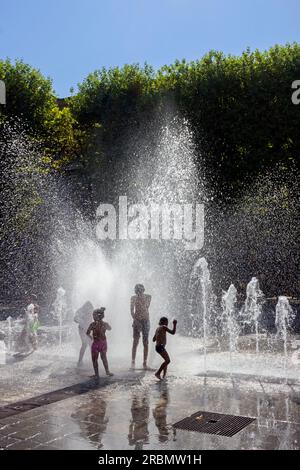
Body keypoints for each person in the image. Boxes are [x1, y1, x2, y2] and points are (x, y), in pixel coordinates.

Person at [86, 307, 113, 378]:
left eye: (94, 315)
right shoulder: (102, 324)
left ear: (98, 316)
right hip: (101, 343)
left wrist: (91, 337)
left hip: (98, 343)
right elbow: (110, 328)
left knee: (98, 358)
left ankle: (100, 373)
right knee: (100, 358)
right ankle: (104, 372)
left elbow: (87, 333)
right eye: (93, 315)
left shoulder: (93, 324)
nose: (93, 316)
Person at [130, 284, 152, 370]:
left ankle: (144, 363)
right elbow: (131, 311)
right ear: (136, 291)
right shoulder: (133, 298)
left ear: (143, 290)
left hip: (146, 321)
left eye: (140, 290)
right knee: (135, 341)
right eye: (137, 290)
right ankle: (133, 362)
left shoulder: (148, 297)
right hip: (137, 321)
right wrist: (136, 321)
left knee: (145, 342)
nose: (139, 292)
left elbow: (146, 307)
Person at [74, 301, 94, 366]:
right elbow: (75, 318)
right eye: (87, 307)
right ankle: (80, 361)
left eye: (90, 308)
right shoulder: (80, 311)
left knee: (91, 344)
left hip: (89, 329)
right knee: (85, 344)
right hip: (82, 329)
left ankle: (93, 359)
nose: (89, 309)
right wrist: (78, 320)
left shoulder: (92, 310)